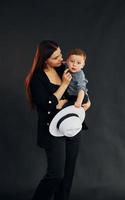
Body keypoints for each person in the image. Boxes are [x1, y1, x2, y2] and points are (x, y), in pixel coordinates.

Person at [25, 40, 91, 200]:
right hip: (52, 130)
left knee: (67, 176)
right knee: (56, 175)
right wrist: (64, 85)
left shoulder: (65, 68)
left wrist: (85, 102)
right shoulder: (37, 79)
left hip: (72, 127)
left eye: (61, 54)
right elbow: (47, 105)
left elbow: (79, 89)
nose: (62, 59)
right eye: (56, 57)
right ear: (45, 60)